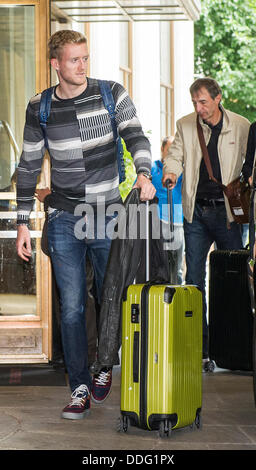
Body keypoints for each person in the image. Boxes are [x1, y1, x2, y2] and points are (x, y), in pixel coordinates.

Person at [16, 29, 156, 420]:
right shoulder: (39, 107)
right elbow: (28, 164)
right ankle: (79, 386)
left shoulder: (111, 93)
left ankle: (103, 365)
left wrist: (144, 174)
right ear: (55, 64)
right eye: (74, 60)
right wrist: (23, 222)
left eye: (85, 58)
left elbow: (136, 137)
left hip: (108, 212)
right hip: (63, 216)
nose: (82, 66)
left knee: (114, 298)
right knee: (73, 308)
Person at [162, 77, 250, 364]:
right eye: (194, 103)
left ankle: (232, 348)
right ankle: (198, 349)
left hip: (227, 216)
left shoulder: (241, 125)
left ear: (217, 98)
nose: (198, 108)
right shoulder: (185, 124)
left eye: (203, 102)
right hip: (196, 213)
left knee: (232, 281)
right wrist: (171, 173)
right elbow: (175, 155)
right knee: (194, 279)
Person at [151, 136, 184, 284]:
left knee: (176, 269)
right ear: (162, 150)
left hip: (177, 224)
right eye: (169, 150)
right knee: (158, 267)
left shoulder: (182, 172)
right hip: (157, 225)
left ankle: (176, 302)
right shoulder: (153, 169)